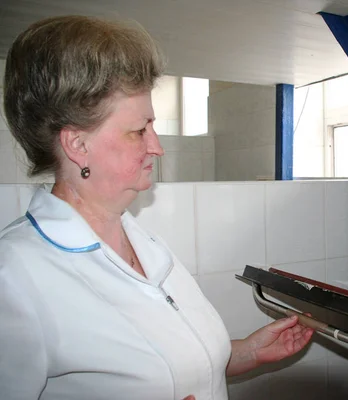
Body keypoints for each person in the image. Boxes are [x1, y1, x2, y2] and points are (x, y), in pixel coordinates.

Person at [0, 15, 313, 400]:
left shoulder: (144, 244)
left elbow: (165, 366)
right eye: (139, 130)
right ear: (77, 144)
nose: (157, 146)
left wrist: (247, 351)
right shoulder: (14, 275)